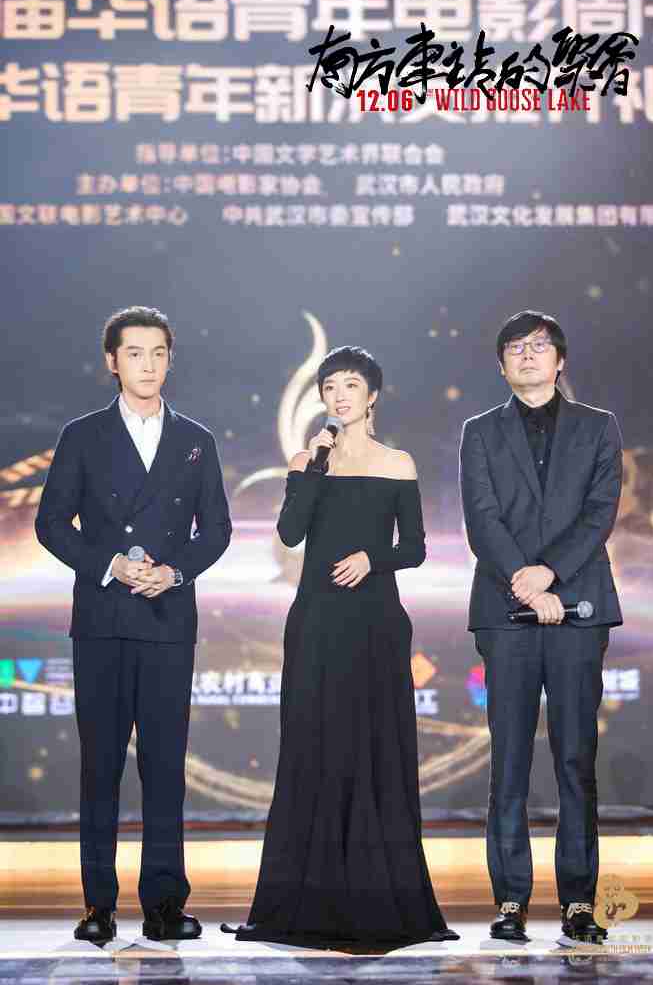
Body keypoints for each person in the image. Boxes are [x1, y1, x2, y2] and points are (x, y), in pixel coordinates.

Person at [225, 346, 458, 947]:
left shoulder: (396, 463)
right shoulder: (310, 460)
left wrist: (371, 558)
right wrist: (311, 467)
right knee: (314, 744)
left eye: (350, 385)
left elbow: (415, 548)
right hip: (317, 621)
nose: (339, 395)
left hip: (376, 622)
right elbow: (289, 533)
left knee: (375, 747)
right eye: (330, 386)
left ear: (372, 394)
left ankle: (382, 895)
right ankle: (303, 898)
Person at [35, 306, 232, 944]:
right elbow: (50, 523)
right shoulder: (83, 435)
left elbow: (218, 529)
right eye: (134, 353)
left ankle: (165, 905)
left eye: (158, 353)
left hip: (168, 618)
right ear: (112, 362)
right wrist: (111, 565)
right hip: (102, 620)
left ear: (170, 360)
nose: (147, 365)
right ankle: (98, 905)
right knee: (100, 767)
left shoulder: (196, 439)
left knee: (166, 766)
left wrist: (175, 572)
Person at [459, 311, 623, 945]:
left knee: (576, 759)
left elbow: (599, 512)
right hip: (506, 612)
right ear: (502, 365)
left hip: (579, 608)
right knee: (510, 761)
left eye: (538, 346)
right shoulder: (479, 431)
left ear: (560, 361)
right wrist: (525, 582)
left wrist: (550, 574)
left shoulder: (598, 426)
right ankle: (510, 900)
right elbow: (482, 517)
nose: (526, 355)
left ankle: (579, 902)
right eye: (514, 348)